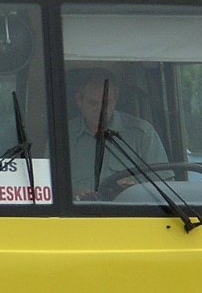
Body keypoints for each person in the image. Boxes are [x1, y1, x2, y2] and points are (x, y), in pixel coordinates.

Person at [67, 67, 168, 197]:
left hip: (130, 209)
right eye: (93, 103)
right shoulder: (63, 138)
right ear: (79, 101)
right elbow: (48, 188)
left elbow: (166, 190)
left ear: (116, 99)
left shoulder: (142, 134)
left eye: (106, 103)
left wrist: (135, 190)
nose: (101, 109)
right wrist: (72, 196)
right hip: (75, 210)